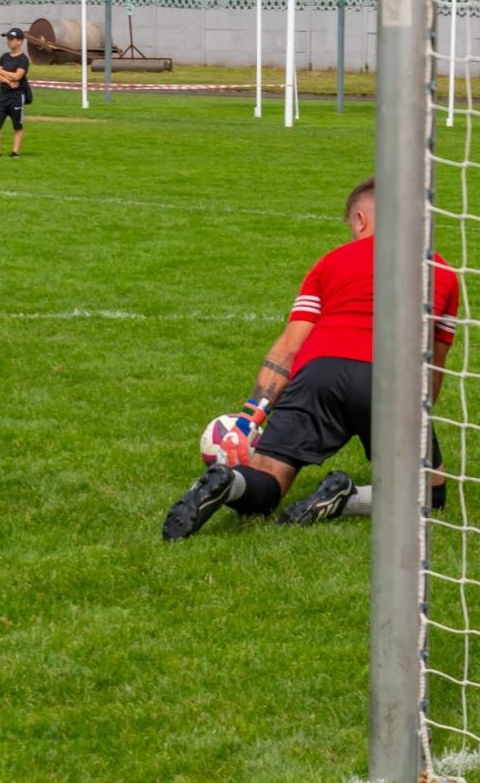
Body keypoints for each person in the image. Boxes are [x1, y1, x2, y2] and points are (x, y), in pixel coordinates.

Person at [162, 177, 460, 540]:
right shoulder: (442, 269)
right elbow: (435, 364)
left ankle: (231, 484)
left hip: (319, 372)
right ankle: (345, 499)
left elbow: (288, 347)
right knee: (430, 492)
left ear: (361, 220)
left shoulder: (331, 261)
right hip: (391, 379)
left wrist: (249, 418)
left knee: (269, 478)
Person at [0, 28, 28, 158]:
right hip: (3, 95)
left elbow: (17, 76)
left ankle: (15, 151)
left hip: (16, 96)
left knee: (17, 125)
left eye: (11, 39)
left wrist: (3, 72)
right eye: (8, 39)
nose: (9, 42)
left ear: (20, 41)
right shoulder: (4, 57)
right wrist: (7, 81)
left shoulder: (23, 59)